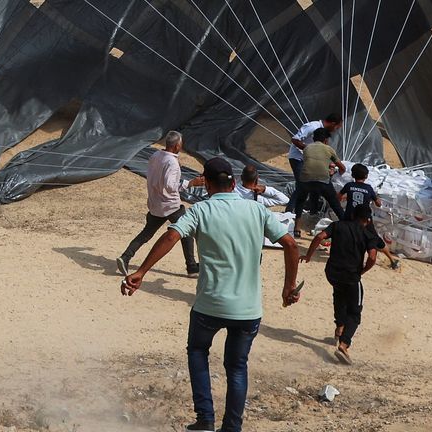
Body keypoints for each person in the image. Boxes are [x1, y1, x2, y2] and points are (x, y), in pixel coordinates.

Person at [121, 158, 299, 432]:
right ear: (234, 182)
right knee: (237, 367)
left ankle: (205, 419)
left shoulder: (200, 210)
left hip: (209, 305)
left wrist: (141, 272)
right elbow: (290, 244)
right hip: (248, 309)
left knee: (197, 351)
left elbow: (171, 237)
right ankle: (232, 427)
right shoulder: (256, 210)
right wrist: (288, 286)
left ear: (206, 182)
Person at [117, 131, 204, 277]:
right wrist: (190, 183)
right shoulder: (171, 163)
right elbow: (170, 186)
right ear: (177, 145)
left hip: (155, 203)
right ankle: (191, 266)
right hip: (170, 205)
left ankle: (125, 257)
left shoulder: (155, 155)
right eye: (180, 143)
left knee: (146, 233)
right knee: (186, 230)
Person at [299, 205, 378, 365]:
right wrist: (363, 271)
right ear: (368, 220)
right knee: (355, 312)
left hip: (332, 273)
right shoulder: (368, 234)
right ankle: (344, 344)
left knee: (339, 294)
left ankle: (340, 326)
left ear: (353, 215)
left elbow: (320, 236)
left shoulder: (338, 225)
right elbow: (372, 257)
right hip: (351, 276)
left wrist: (308, 255)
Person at [338, 163, 401, 270]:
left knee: (345, 237)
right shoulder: (369, 188)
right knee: (376, 239)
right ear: (366, 176)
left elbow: (338, 197)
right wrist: (377, 200)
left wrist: (348, 198)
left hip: (349, 218)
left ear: (353, 175)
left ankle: (343, 258)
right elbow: (378, 203)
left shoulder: (349, 186)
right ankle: (392, 260)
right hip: (364, 219)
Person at [292, 128, 346, 237]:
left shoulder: (307, 148)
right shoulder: (329, 149)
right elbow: (342, 167)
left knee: (300, 200)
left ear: (313, 138)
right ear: (326, 140)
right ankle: (346, 226)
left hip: (305, 180)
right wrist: (335, 171)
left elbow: (313, 161)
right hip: (322, 181)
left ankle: (297, 228)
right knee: (335, 204)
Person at [285, 113, 343, 212]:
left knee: (314, 184)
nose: (335, 130)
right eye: (337, 127)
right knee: (301, 186)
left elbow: (323, 150)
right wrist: (309, 149)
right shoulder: (312, 127)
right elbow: (295, 139)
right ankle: (289, 211)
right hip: (298, 158)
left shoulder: (323, 133)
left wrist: (330, 164)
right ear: (333, 124)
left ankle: (313, 210)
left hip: (308, 160)